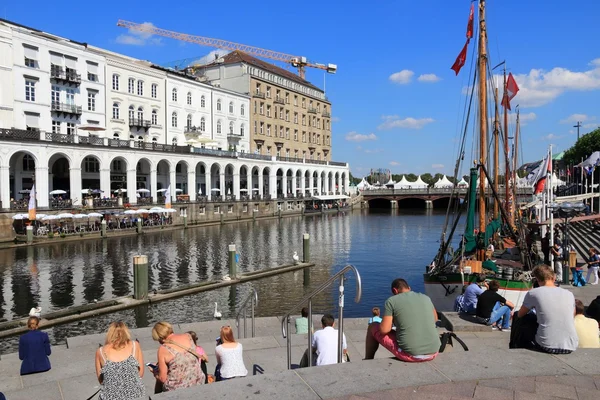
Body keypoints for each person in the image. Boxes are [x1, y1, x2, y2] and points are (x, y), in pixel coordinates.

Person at [365, 278, 439, 362]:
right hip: (434, 351)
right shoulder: (426, 298)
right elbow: (435, 319)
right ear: (409, 288)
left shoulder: (391, 301)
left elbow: (384, 330)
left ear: (395, 290)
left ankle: (368, 359)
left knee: (373, 326)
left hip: (411, 354)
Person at [517, 265, 578, 354]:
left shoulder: (533, 293)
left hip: (546, 345)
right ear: (554, 277)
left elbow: (520, 314)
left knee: (524, 317)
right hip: (571, 346)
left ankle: (517, 345)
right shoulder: (569, 294)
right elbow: (573, 315)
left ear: (537, 280)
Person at [95, 322, 145, 400]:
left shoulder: (101, 352)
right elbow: (140, 374)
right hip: (135, 396)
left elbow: (101, 381)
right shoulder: (135, 346)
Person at [151, 321, 204, 393]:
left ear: (160, 337)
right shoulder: (188, 336)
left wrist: (155, 374)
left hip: (177, 388)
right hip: (198, 380)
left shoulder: (163, 349)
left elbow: (162, 378)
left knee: (159, 382)